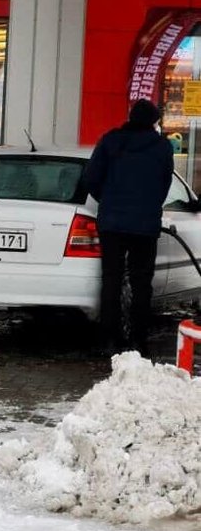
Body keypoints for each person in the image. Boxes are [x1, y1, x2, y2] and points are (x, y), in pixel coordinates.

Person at [85, 98, 174, 357]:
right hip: (145, 224)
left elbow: (91, 177)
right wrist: (147, 206)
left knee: (111, 279)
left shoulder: (110, 141)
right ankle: (138, 340)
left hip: (111, 222)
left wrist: (109, 201)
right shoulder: (161, 147)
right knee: (141, 282)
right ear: (153, 121)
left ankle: (109, 339)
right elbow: (164, 183)